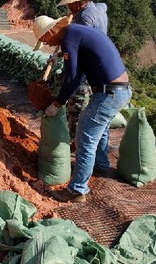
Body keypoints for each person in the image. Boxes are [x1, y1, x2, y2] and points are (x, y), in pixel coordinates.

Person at [32, 15, 131, 203]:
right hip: (120, 89)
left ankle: (77, 190)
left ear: (51, 31)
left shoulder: (69, 38)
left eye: (44, 39)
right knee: (98, 130)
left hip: (108, 93)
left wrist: (57, 103)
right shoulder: (77, 32)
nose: (46, 43)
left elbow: (73, 78)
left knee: (85, 137)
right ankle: (100, 164)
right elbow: (81, 65)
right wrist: (61, 55)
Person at [56, 0, 109, 146]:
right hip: (100, 66)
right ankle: (101, 153)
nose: (69, 8)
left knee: (77, 105)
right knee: (101, 116)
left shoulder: (84, 17)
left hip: (86, 67)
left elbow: (78, 47)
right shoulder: (98, 10)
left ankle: (74, 142)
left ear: (79, 1)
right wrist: (59, 54)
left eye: (70, 4)